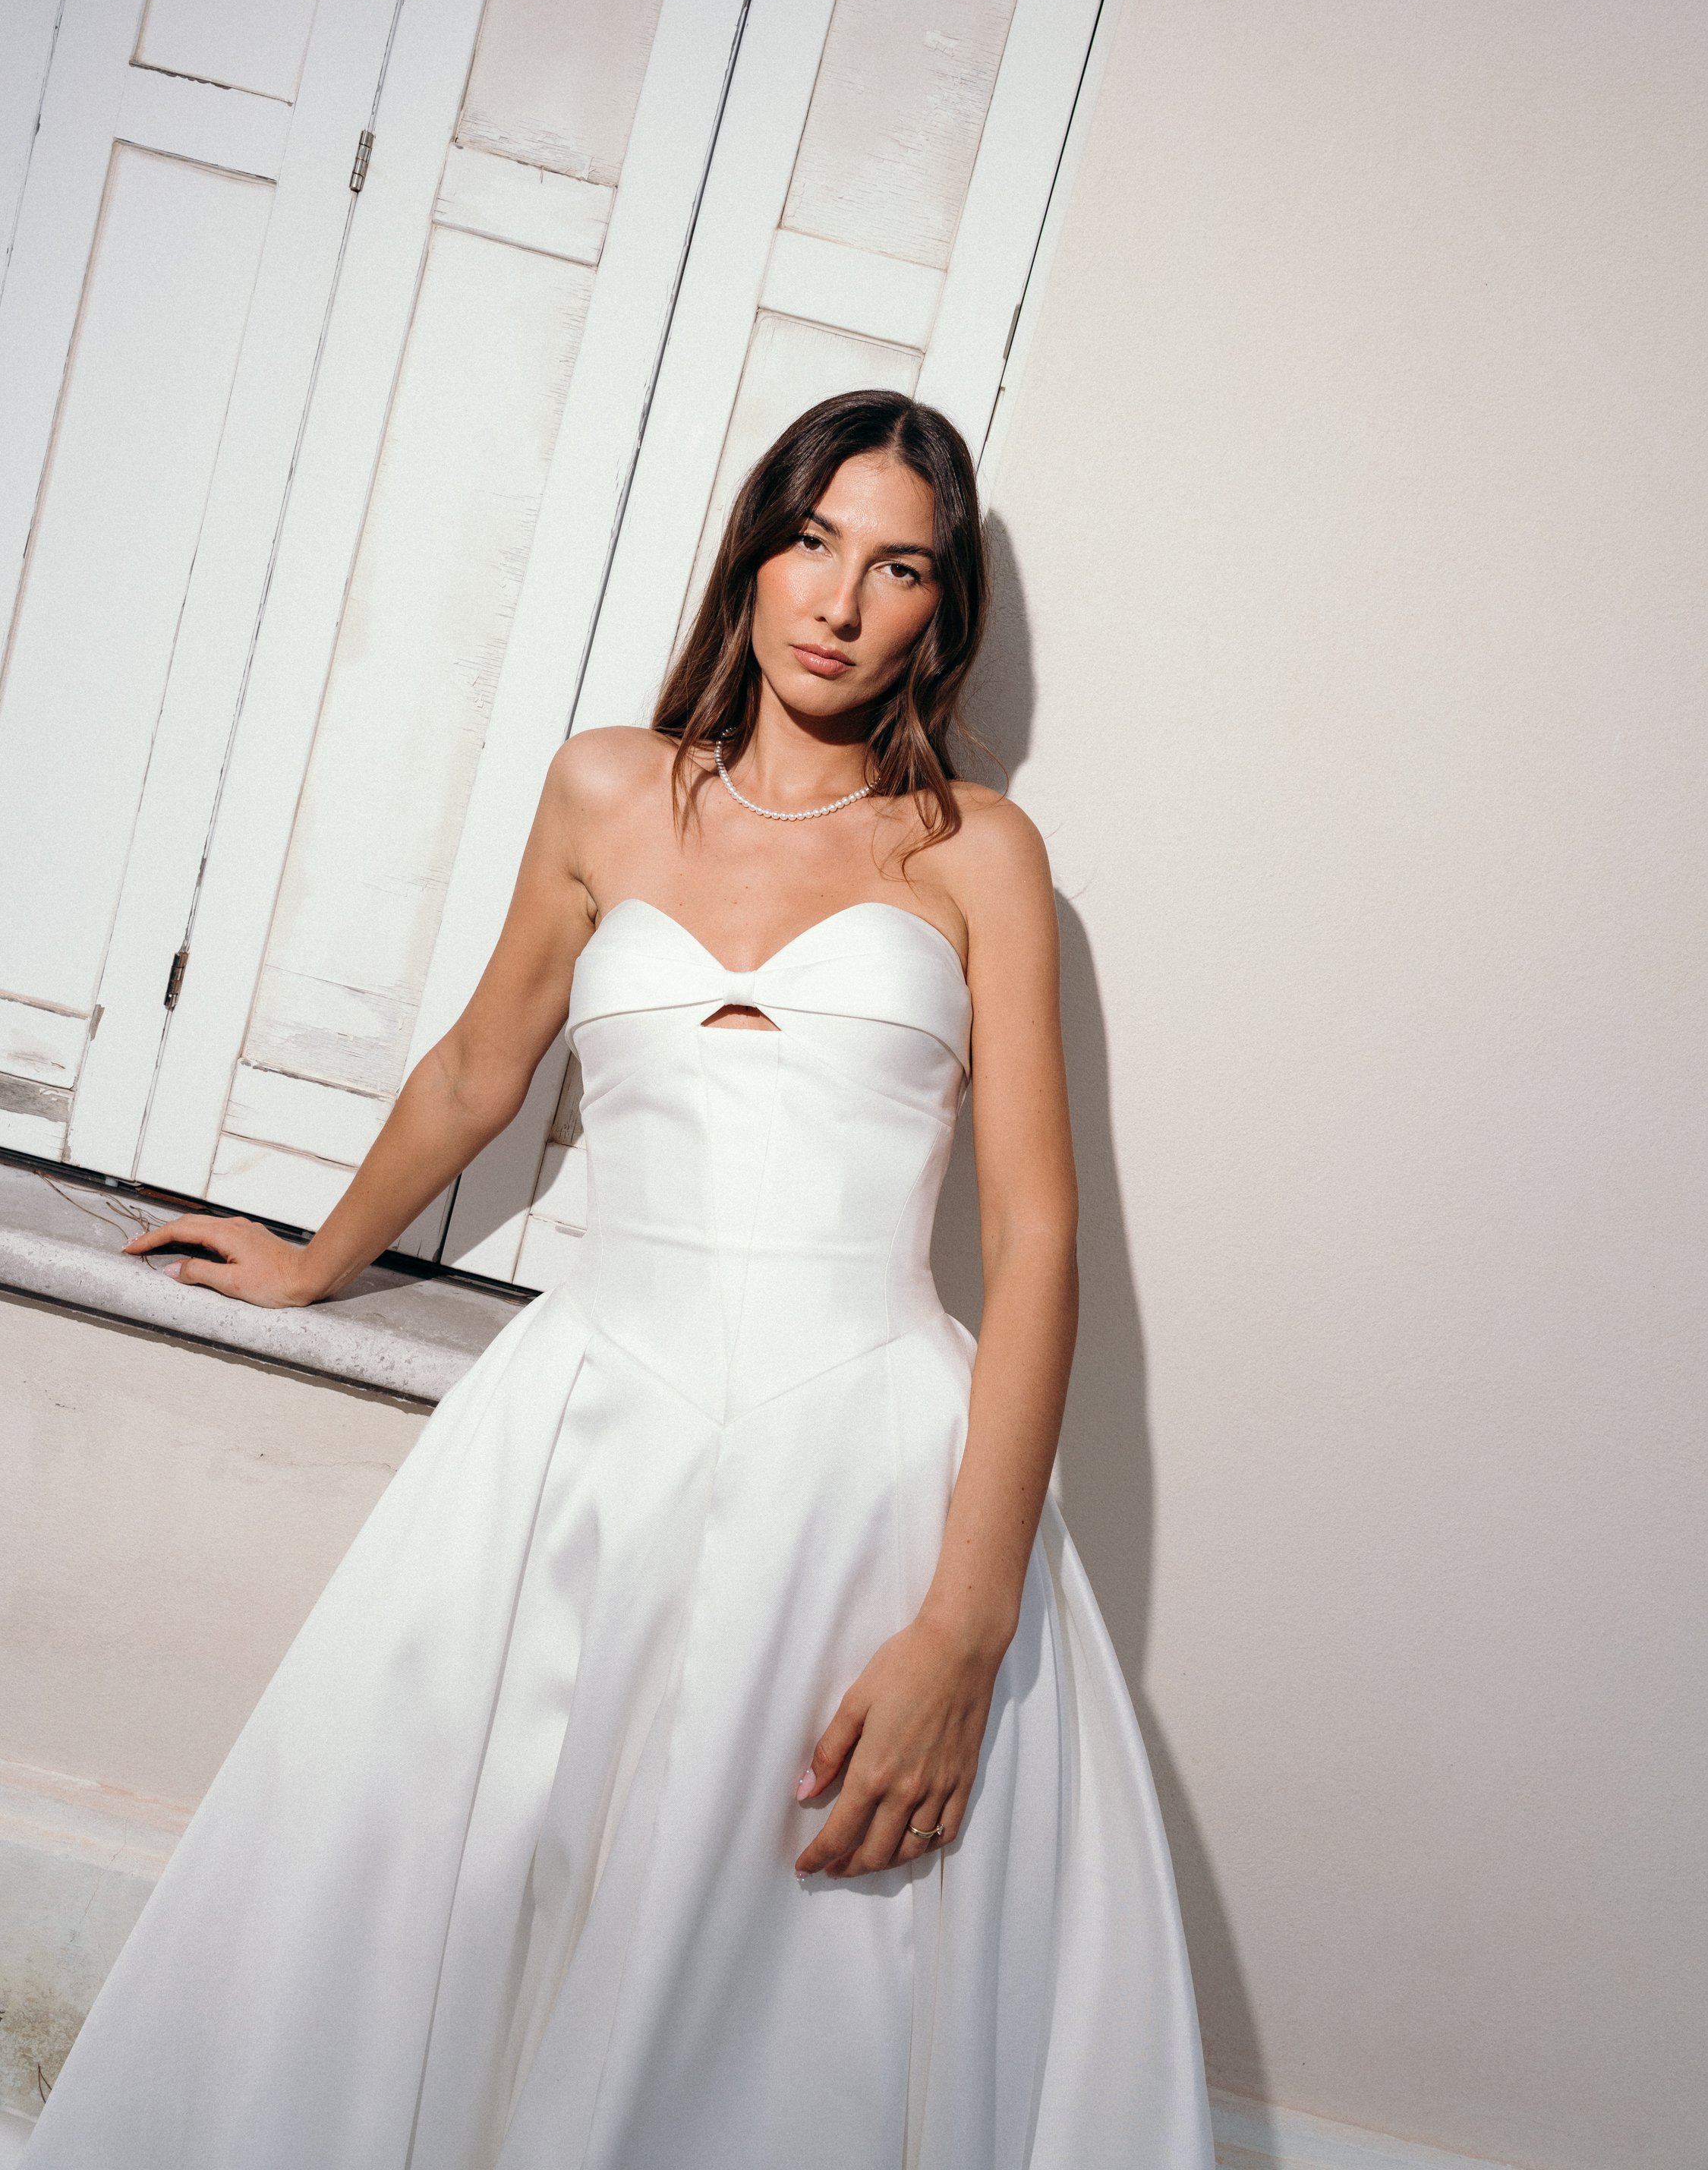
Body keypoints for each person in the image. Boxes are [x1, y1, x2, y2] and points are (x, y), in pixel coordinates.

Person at [22, 391, 1215, 2168]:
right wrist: (312, 1262)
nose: (840, 598)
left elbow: (1038, 1239)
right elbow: (480, 1068)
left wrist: (965, 1631)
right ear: (752, 553)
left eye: (898, 568)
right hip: (584, 1438)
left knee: (796, 1972)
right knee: (471, 1894)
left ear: (937, 616)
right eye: (812, 542)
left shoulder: (978, 852)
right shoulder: (605, 787)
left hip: (867, 1472)